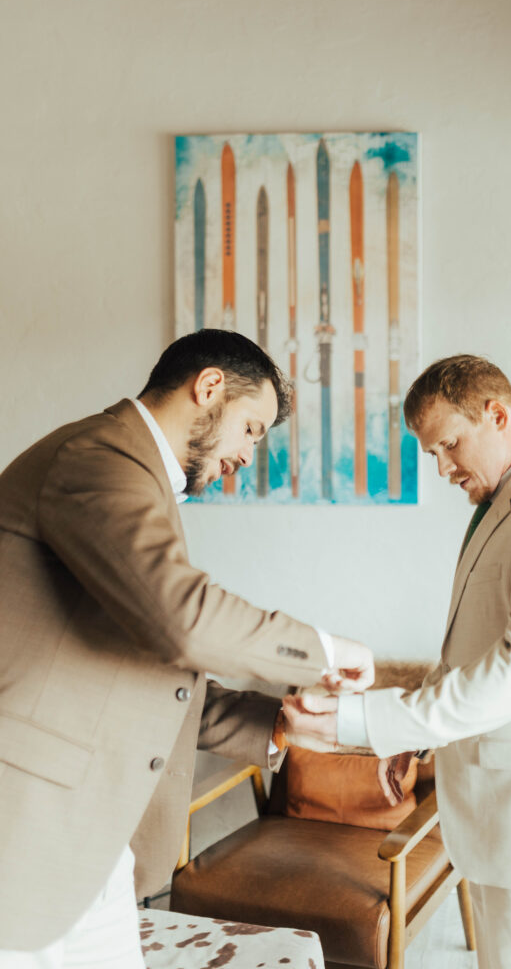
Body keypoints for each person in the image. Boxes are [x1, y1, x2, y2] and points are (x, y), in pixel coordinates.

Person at [0, 329, 374, 966]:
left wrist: (276, 724)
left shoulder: (137, 478)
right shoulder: (96, 457)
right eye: (251, 428)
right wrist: (323, 650)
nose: (249, 455)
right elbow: (183, 619)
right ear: (209, 387)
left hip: (93, 847)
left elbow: (150, 676)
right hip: (26, 833)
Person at [284, 354, 511, 969]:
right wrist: (414, 739)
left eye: (449, 445)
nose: (443, 468)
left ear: (496, 414)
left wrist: (365, 721)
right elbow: (469, 650)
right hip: (505, 820)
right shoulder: (506, 505)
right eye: (432, 454)